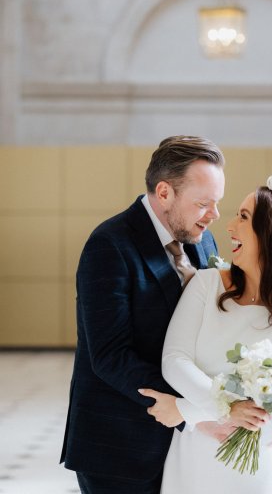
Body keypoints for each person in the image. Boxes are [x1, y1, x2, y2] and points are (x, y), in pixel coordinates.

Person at [140, 174, 272, 494]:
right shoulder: (206, 285)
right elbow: (174, 360)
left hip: (257, 462)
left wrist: (184, 410)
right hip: (193, 457)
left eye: (243, 217)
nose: (229, 227)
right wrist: (224, 409)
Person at [60, 135, 226, 494]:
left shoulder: (204, 239)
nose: (214, 215)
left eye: (217, 203)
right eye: (203, 203)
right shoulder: (109, 245)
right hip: (121, 446)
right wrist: (198, 403)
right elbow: (109, 356)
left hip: (185, 444)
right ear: (164, 192)